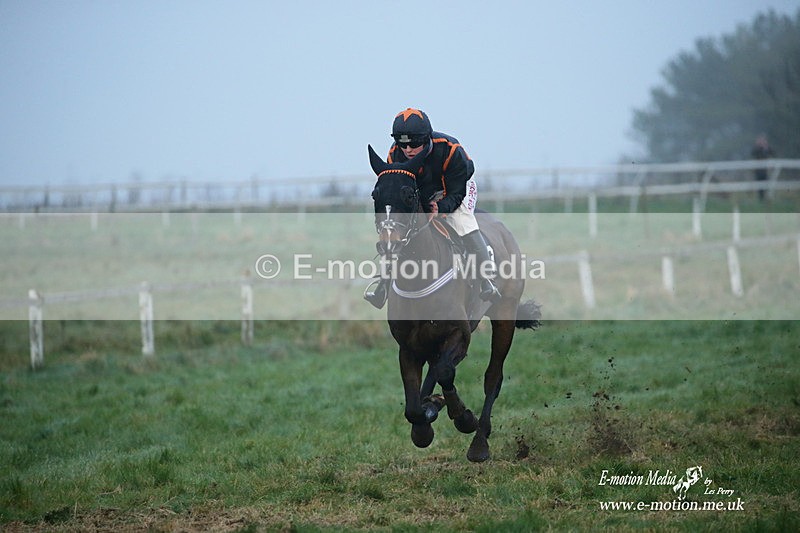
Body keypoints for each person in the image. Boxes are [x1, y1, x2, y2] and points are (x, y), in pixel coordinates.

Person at [365, 108, 501, 309]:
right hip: (422, 191)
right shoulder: (395, 155)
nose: (408, 149)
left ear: (426, 138)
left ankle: (486, 280)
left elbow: (456, 193)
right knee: (396, 233)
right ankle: (383, 285)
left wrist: (441, 208)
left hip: (456, 187)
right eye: (403, 143)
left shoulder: (451, 150)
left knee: (462, 222)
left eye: (414, 143)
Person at [751, 134, 774, 201]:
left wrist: (766, 147)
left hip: (765, 170)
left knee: (766, 183)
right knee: (759, 185)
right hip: (758, 170)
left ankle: (766, 198)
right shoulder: (756, 148)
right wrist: (759, 146)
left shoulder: (767, 148)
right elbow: (753, 153)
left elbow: (772, 153)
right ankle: (761, 198)